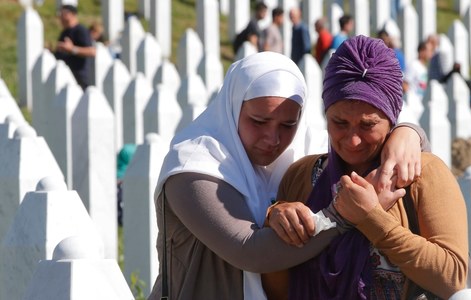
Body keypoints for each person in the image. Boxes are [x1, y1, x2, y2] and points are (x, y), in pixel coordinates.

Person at [148, 51, 426, 300]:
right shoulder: (194, 167)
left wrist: (409, 133)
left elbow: (368, 140)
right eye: (258, 121)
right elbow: (250, 250)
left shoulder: (301, 151)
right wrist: (341, 216)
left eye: (287, 124)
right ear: (233, 107)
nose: (272, 138)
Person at [265, 36, 468, 299]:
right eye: (339, 122)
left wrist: (371, 218)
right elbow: (277, 287)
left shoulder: (422, 174)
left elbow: (452, 277)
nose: (353, 140)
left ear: (392, 117)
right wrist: (275, 218)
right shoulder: (303, 176)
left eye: (368, 125)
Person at [53, 5, 96, 90]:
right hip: (67, 77)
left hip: (79, 77)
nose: (61, 16)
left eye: (64, 14)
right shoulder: (65, 32)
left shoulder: (81, 30)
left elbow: (92, 51)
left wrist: (72, 49)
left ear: (73, 14)